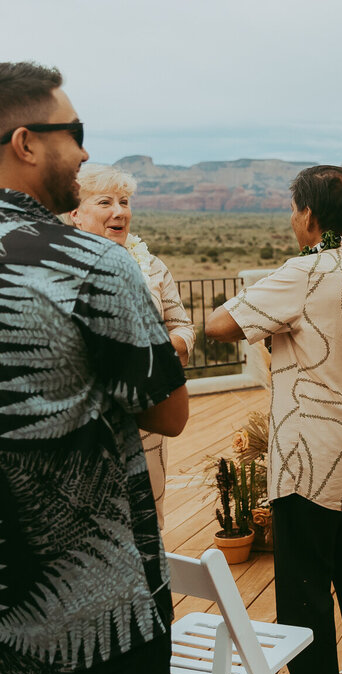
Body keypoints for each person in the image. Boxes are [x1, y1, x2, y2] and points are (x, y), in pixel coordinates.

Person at [0, 61, 189, 674]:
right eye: (72, 135)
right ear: (24, 141)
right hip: (92, 617)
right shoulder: (89, 263)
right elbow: (169, 413)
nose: (82, 154)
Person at [207, 165, 342, 674]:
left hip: (307, 455)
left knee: (306, 590)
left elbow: (218, 326)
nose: (292, 220)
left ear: (309, 216)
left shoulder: (303, 271)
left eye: (294, 209)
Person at [68, 163, 194, 531]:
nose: (119, 211)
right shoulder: (59, 267)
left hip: (148, 421)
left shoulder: (151, 266)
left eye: (124, 201)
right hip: (85, 428)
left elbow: (184, 327)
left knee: (146, 520)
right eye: (105, 201)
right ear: (75, 213)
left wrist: (154, 353)